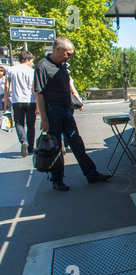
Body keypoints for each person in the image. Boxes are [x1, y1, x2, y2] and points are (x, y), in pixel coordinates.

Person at [33, 37, 111, 191]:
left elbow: (66, 85)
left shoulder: (62, 65)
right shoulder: (42, 66)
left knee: (76, 143)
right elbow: (39, 94)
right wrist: (44, 119)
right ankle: (57, 180)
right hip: (52, 110)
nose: (69, 57)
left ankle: (91, 173)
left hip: (65, 110)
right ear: (57, 49)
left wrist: (74, 99)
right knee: (55, 147)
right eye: (68, 54)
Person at [4, 51, 37, 157]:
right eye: (31, 61)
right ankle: (31, 147)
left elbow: (6, 86)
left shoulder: (10, 70)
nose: (32, 63)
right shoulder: (32, 71)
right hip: (30, 100)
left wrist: (6, 101)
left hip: (16, 100)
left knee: (19, 123)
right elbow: (34, 88)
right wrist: (38, 104)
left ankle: (23, 141)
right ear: (27, 60)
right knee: (31, 124)